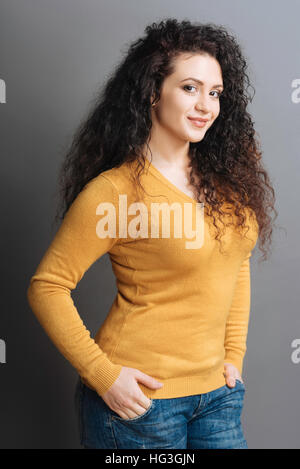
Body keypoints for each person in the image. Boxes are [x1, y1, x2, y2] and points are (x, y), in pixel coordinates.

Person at [27, 18, 277, 449]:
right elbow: (47, 286)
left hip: (218, 399)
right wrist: (104, 375)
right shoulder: (116, 191)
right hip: (141, 403)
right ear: (151, 92)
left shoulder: (226, 185)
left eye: (215, 93)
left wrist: (233, 356)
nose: (206, 105)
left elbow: (235, 266)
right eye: (190, 88)